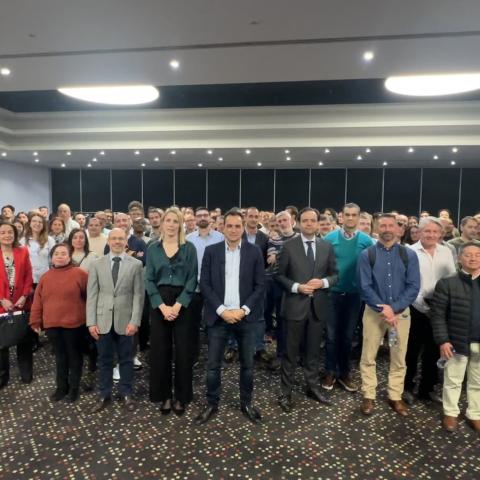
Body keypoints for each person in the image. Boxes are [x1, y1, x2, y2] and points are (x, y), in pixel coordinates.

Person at [195, 209, 265, 425]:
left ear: (243, 227)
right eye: (230, 225)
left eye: (237, 226)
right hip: (219, 317)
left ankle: (246, 403)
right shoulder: (211, 251)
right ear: (222, 227)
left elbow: (260, 285)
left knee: (247, 365)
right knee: (213, 366)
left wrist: (243, 310)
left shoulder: (254, 252)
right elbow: (204, 284)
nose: (234, 229)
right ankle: (212, 403)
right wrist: (222, 310)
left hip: (245, 317)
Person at [276, 207, 338, 413]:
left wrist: (322, 282)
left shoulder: (327, 246)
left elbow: (334, 275)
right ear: (299, 223)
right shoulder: (288, 246)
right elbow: (279, 275)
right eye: (305, 220)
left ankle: (312, 387)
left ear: (318, 223)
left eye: (313, 220)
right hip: (294, 307)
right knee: (290, 353)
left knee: (312, 353)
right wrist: (297, 287)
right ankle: (286, 392)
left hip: (317, 309)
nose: (309, 224)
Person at [357, 213, 420, 417]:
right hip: (373, 313)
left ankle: (395, 395)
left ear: (398, 229)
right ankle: (368, 395)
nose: (386, 229)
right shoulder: (367, 255)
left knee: (399, 356)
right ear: (377, 228)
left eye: (390, 225)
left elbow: (413, 286)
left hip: (400, 315)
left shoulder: (408, 255)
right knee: (368, 355)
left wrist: (395, 308)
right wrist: (383, 308)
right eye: (382, 225)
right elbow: (364, 286)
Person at [146, 207, 198, 415]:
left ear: (180, 225)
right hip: (159, 302)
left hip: (182, 303)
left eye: (175, 221)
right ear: (162, 223)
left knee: (184, 351)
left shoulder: (189, 248)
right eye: (168, 220)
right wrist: (162, 306)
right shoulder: (152, 248)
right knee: (160, 351)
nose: (170, 224)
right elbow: (148, 280)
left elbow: (193, 279)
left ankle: (182, 396)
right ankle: (164, 395)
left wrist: (177, 305)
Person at [86, 228, 145, 413]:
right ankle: (104, 393)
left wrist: (135, 321)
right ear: (108, 241)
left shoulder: (135, 264)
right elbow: (92, 295)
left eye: (121, 238)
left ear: (126, 242)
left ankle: (126, 392)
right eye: (114, 238)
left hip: (126, 321)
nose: (118, 241)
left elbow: (138, 295)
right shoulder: (97, 264)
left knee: (126, 359)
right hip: (102, 320)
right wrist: (91, 322)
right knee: (104, 360)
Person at [403, 217, 456, 405]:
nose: (431, 235)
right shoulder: (409, 251)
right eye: (427, 231)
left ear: (441, 234)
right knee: (411, 350)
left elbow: (452, 278)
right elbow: (407, 281)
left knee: (433, 351)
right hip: (415, 308)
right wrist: (423, 306)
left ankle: (427, 388)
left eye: (435, 232)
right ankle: (407, 386)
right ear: (419, 232)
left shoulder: (447, 252)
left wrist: (442, 306)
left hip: (440, 310)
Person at [323, 203, 374, 392]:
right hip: (332, 294)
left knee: (346, 337)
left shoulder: (367, 241)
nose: (351, 218)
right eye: (347, 214)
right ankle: (329, 371)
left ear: (359, 218)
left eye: (354, 215)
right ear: (341, 217)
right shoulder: (328, 238)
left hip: (354, 296)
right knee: (330, 336)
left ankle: (344, 372)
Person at [431, 242, 480, 433]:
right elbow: (438, 315)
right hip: (456, 342)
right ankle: (450, 412)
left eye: (477, 254)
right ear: (459, 258)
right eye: (468, 255)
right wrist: (443, 340)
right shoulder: (447, 283)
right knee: (453, 379)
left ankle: (475, 413)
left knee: (478, 382)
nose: (473, 258)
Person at [30, 243, 88, 402]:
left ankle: (74, 388)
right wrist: (35, 321)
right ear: (52, 257)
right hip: (52, 325)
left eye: (64, 253)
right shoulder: (45, 277)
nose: (60, 256)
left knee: (74, 357)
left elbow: (89, 297)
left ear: (70, 257)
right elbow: (38, 301)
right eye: (57, 253)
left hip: (74, 325)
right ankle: (61, 387)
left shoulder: (80, 274)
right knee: (60, 358)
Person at [186, 207, 224, 365]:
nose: (202, 217)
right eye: (199, 215)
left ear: (210, 218)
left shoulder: (220, 237)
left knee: (214, 324)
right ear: (195, 218)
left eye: (205, 215)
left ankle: (215, 358)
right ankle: (194, 357)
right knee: (193, 324)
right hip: (194, 287)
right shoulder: (188, 239)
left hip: (214, 287)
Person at [0, 221, 34, 388]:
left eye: (10, 232)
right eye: (3, 232)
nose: (7, 235)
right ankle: (2, 377)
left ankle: (26, 374)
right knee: (1, 344)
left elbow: (28, 276)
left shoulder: (23, 252)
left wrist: (24, 295)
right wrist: (1, 299)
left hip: (21, 303)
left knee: (24, 341)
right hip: (1, 305)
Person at [21, 213, 55, 285]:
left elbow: (53, 260)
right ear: (29, 223)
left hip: (45, 278)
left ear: (43, 225)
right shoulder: (23, 241)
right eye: (34, 221)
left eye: (40, 222)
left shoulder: (50, 240)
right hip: (27, 279)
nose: (37, 224)